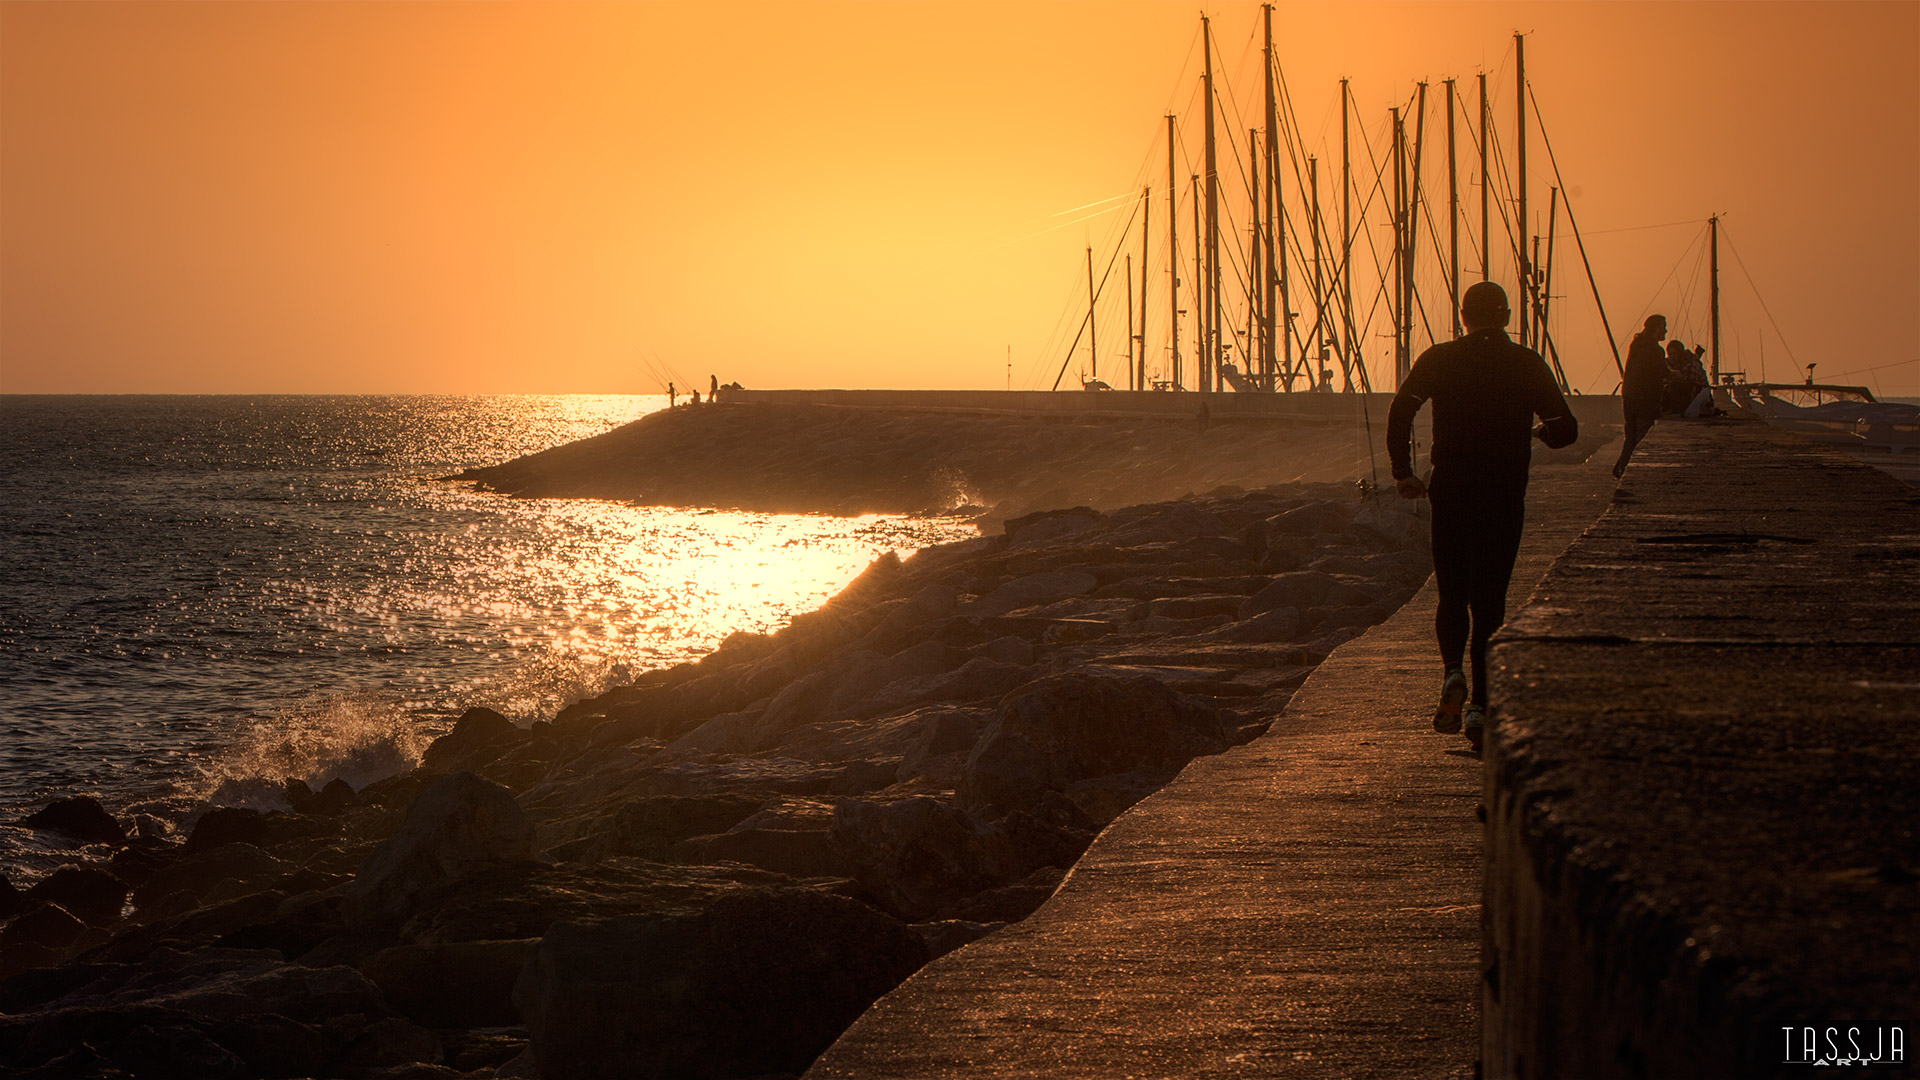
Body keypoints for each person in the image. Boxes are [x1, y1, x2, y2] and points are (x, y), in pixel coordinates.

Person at [1387, 281, 1578, 751]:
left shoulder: (1440, 358)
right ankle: (1481, 707)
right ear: (1508, 317)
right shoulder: (1526, 363)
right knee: (1489, 602)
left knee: (1451, 594)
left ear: (1464, 316)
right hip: (1503, 495)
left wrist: (1403, 473)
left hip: (1450, 491)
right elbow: (1566, 431)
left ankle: (1452, 672)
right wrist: (1535, 432)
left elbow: (1400, 411)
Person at [1613, 314, 1668, 477]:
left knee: (1630, 436)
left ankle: (1620, 467)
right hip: (1645, 399)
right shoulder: (1656, 350)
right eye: (1663, 327)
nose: (1665, 330)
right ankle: (1627, 469)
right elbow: (1659, 374)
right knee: (1641, 436)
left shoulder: (1636, 344)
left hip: (1629, 397)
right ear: (1656, 329)